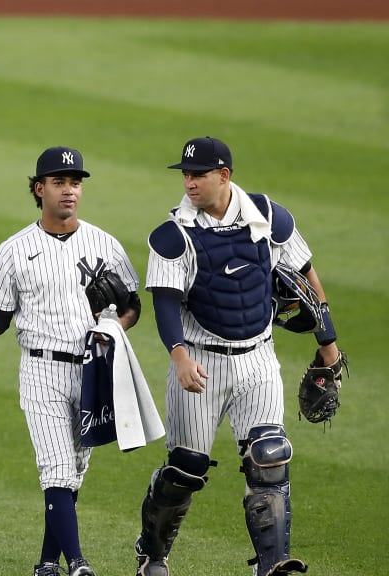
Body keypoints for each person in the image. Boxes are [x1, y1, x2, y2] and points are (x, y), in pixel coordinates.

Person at [132, 136, 343, 576]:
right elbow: (165, 304)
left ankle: (272, 563)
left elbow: (306, 279)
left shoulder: (268, 217)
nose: (189, 182)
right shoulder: (173, 236)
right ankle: (152, 553)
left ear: (224, 176)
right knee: (186, 470)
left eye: (198, 175)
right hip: (200, 363)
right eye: (186, 174)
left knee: (269, 457)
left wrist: (330, 350)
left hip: (257, 361)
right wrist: (179, 358)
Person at [0, 146, 141, 576]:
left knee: (72, 474)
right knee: (55, 468)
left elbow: (132, 305)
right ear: (39, 188)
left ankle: (47, 564)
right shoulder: (14, 250)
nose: (70, 191)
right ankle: (79, 565)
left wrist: (115, 327)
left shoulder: (105, 244)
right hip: (41, 369)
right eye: (59, 182)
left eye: (76, 183)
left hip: (94, 371)